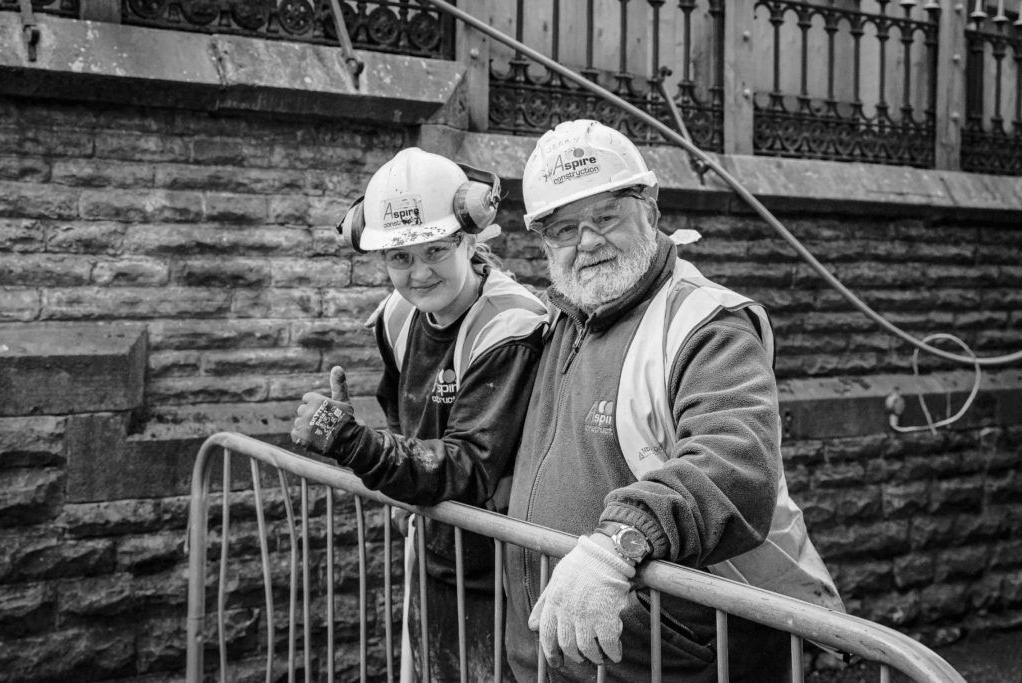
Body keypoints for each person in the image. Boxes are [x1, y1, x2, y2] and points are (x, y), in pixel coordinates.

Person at [503, 119, 844, 682]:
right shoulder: (564, 317)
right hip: (570, 657)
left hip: (676, 659)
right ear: (542, 242)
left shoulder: (707, 325)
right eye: (563, 228)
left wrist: (617, 544)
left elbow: (735, 465)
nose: (586, 241)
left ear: (651, 210)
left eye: (606, 216)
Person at [290, 147, 546, 681]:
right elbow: (404, 418)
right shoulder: (398, 316)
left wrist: (355, 445)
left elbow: (469, 467)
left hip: (509, 575)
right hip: (434, 550)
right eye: (399, 257)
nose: (418, 273)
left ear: (470, 238)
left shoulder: (509, 327)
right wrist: (395, 468)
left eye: (435, 250)